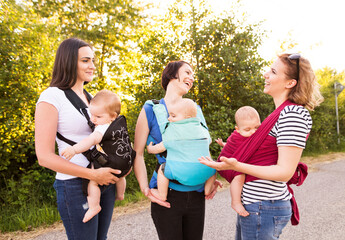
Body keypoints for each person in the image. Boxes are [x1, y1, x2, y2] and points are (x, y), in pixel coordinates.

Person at [199, 53, 323, 239]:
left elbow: (284, 172)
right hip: (258, 205)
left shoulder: (293, 114)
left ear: (290, 83)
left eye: (273, 71)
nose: (266, 74)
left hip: (264, 206)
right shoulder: (280, 114)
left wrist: (235, 166)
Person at [35, 38, 120, 240]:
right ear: (68, 61)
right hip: (74, 184)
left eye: (92, 60)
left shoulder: (91, 98)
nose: (92, 65)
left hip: (102, 182)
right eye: (85, 60)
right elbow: (44, 157)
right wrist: (92, 175)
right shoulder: (51, 96)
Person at [133, 60, 222, 240]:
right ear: (172, 74)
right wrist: (145, 188)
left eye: (193, 75)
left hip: (197, 194)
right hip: (168, 195)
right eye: (187, 72)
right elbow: (138, 153)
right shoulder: (151, 108)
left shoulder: (195, 109)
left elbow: (202, 146)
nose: (191, 77)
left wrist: (210, 177)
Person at [61, 89, 132, 223]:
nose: (93, 119)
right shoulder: (119, 124)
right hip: (125, 162)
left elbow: (90, 140)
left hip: (111, 162)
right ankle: (121, 194)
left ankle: (94, 206)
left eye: (98, 117)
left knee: (92, 182)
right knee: (120, 176)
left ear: (113, 116)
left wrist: (74, 150)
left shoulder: (102, 128)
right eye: (92, 115)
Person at [146, 98, 216, 201]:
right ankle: (207, 190)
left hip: (181, 174)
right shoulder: (203, 130)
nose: (169, 118)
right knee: (213, 166)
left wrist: (150, 148)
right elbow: (208, 141)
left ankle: (162, 195)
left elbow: (159, 148)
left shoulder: (172, 131)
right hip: (204, 172)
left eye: (173, 116)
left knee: (162, 169)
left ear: (187, 117)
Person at [215, 106, 261, 217]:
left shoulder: (252, 136)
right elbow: (232, 146)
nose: (253, 132)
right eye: (247, 129)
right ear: (237, 129)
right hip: (226, 164)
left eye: (257, 127)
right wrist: (224, 145)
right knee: (240, 175)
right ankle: (235, 202)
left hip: (235, 162)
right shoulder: (237, 137)